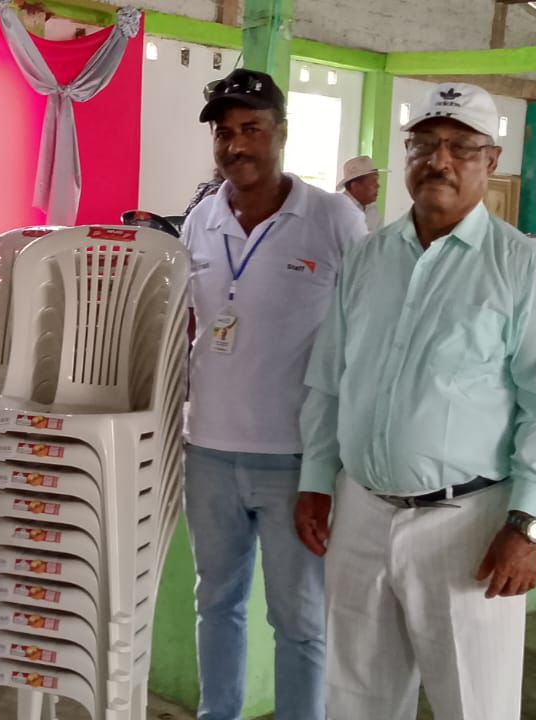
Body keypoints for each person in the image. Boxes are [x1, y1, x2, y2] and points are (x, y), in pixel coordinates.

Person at [296, 83, 536, 720]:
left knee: (473, 704)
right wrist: (316, 480)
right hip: (360, 514)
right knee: (356, 701)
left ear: (491, 160)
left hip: (467, 526)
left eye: (461, 147)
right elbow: (330, 379)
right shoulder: (368, 258)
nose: (440, 160)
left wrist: (528, 525)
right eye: (424, 144)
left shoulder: (521, 269)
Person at [181, 68, 365, 720]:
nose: (236, 145)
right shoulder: (201, 220)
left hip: (296, 459)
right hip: (208, 452)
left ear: (281, 133)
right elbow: (194, 325)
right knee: (215, 603)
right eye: (224, 133)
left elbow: (364, 332)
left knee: (300, 620)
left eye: (251, 129)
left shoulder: (333, 219)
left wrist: (334, 460)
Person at [336, 155, 383, 233]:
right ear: (355, 186)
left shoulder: (373, 209)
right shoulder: (338, 209)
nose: (378, 185)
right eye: (373, 181)